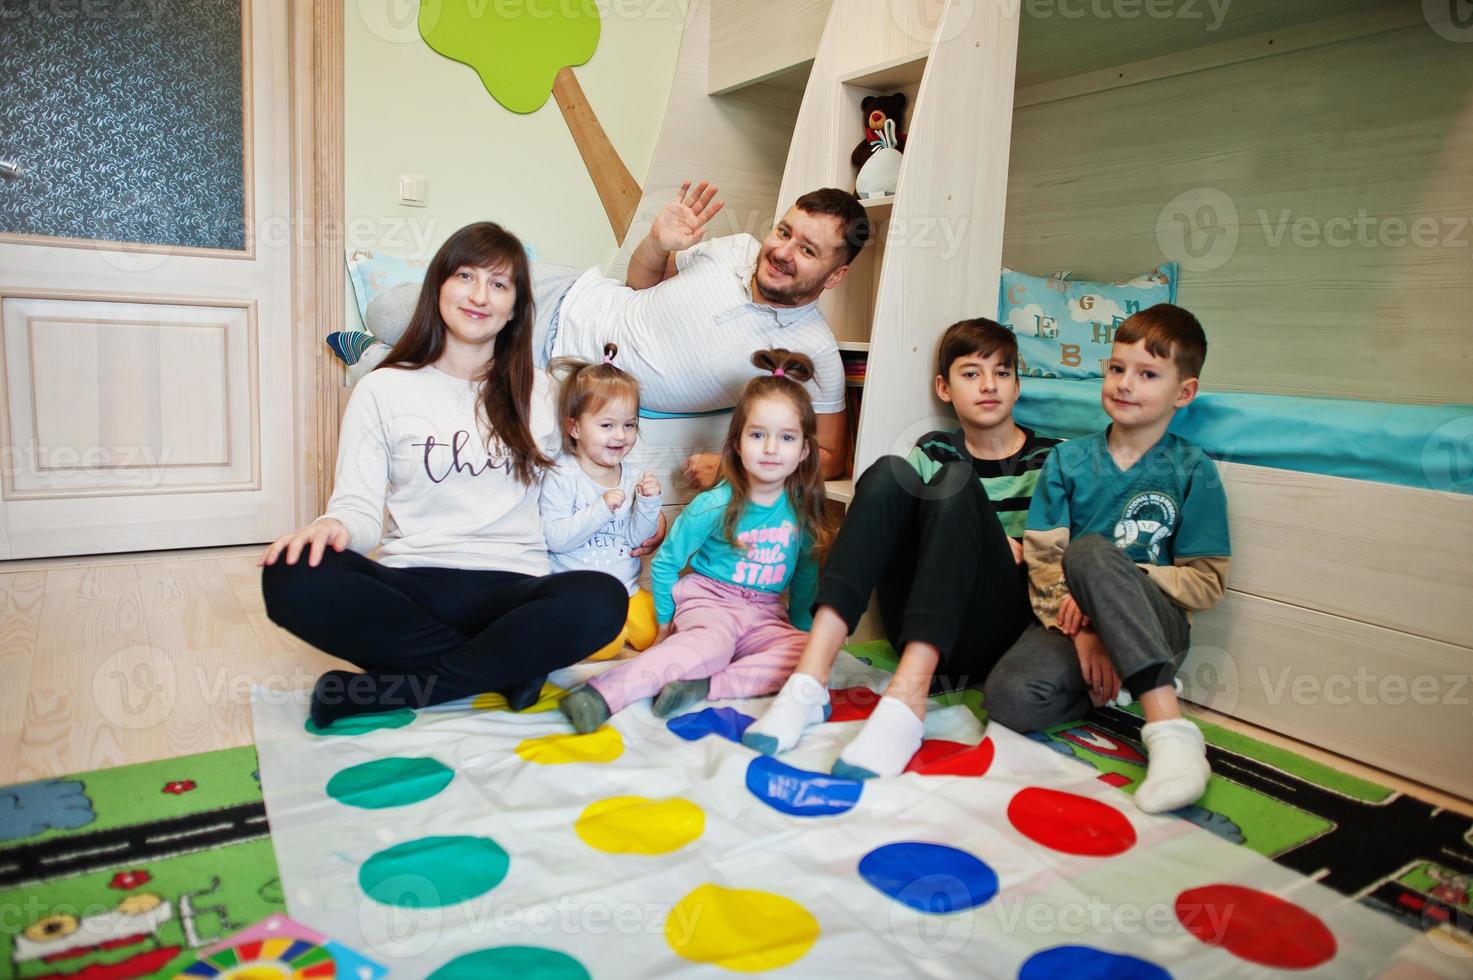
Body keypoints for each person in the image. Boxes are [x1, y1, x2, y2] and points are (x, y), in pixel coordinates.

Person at [259, 222, 631, 729]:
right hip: (412, 584)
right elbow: (357, 506)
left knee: (601, 600)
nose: (480, 295)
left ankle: (387, 691)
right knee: (291, 574)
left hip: (512, 588)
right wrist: (335, 527)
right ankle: (505, 668)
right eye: (465, 276)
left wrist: (631, 509)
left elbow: (594, 461)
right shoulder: (382, 388)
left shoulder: (542, 392)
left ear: (516, 306)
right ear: (438, 286)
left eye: (499, 284)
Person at [354, 182, 871, 483]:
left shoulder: (815, 350)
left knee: (392, 371)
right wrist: (657, 243)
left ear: (836, 273)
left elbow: (830, 459)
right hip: (567, 293)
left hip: (559, 366)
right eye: (783, 232)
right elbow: (639, 285)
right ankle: (388, 343)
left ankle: (372, 356)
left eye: (807, 250)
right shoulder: (734, 248)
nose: (781, 252)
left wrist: (737, 470)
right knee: (390, 310)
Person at [741, 319, 1061, 778]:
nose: (989, 385)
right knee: (890, 472)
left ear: (1017, 383)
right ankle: (809, 679)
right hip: (916, 618)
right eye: (971, 373)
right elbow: (902, 531)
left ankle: (907, 703)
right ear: (944, 388)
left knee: (956, 483)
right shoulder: (932, 448)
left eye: (1002, 372)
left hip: (995, 632)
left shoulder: (1051, 458)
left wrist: (1019, 546)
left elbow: (1066, 557)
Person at [984, 303, 1231, 814]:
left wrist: (1115, 588)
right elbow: (1044, 559)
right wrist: (1085, 629)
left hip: (1156, 627)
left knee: (1095, 552)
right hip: (1068, 618)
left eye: (1147, 374)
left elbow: (1205, 584)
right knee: (1006, 701)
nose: (1125, 384)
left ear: (1183, 393)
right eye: (1117, 368)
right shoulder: (1068, 460)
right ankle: (1116, 688)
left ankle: (1170, 733)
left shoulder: (1193, 469)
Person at [558, 350, 837, 734]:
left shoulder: (801, 510)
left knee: (814, 655)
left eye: (786, 437)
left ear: (804, 450)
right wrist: (663, 624)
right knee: (706, 649)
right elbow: (668, 560)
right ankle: (603, 694)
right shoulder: (715, 502)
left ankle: (705, 686)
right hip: (711, 602)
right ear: (737, 444)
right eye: (758, 435)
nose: (771, 449)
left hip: (766, 613)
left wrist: (804, 631)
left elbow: (806, 577)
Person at [540, 343, 663, 663]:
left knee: (654, 631)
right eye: (607, 426)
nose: (620, 436)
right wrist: (600, 509)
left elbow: (636, 539)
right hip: (577, 595)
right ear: (574, 427)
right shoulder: (562, 474)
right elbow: (556, 540)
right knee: (603, 645)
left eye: (629, 425)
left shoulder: (631, 475)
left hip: (626, 588)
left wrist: (649, 504)